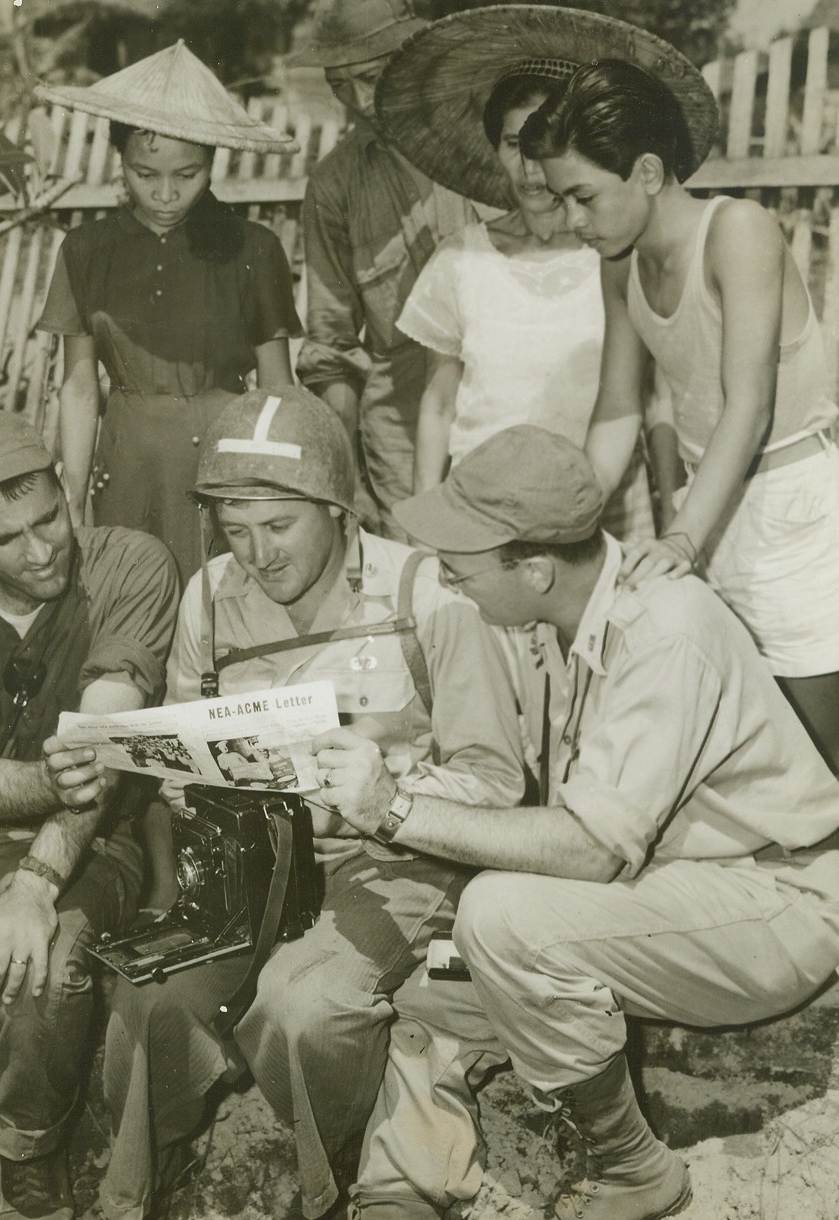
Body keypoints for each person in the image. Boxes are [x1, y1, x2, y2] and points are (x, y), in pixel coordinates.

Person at [314, 423, 839, 1220]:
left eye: (464, 570)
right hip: (672, 891)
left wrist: (395, 811)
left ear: (534, 567)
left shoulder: (664, 631)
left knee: (500, 917)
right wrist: (397, 785)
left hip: (775, 901)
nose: (451, 585)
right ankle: (403, 1188)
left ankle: (633, 1169)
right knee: (437, 974)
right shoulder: (562, 618)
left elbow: (591, 852)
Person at [99, 385, 527, 1220]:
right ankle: (147, 1188)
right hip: (250, 862)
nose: (255, 554)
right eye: (234, 527)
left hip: (393, 863)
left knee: (303, 1012)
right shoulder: (209, 597)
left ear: (337, 509)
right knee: (149, 1002)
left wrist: (384, 793)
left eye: (279, 525)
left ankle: (325, 1178)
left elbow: (496, 782)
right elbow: (188, 758)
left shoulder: (424, 596)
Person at [520, 43, 839, 772]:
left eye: (583, 195)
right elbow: (616, 412)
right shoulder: (619, 265)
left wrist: (683, 540)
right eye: (561, 197)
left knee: (821, 750)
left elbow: (748, 405)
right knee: (748, 749)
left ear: (649, 172)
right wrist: (564, 522)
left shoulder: (738, 232)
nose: (572, 219)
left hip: (794, 512)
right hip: (712, 508)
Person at [0, 410, 179, 1220]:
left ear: (67, 490)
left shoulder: (132, 562)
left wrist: (35, 881)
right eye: (5, 540)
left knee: (47, 968)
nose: (39, 552)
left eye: (49, 519)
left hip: (107, 833)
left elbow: (103, 741)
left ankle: (27, 1141)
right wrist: (37, 800)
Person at [373, 13, 653, 538]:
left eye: (542, 146)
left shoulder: (616, 256)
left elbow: (645, 395)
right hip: (487, 505)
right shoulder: (461, 259)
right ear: (494, 148)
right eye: (512, 145)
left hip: (601, 499)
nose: (530, 169)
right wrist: (424, 517)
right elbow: (438, 401)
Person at [35, 39, 303, 585]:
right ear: (120, 161)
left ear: (212, 163)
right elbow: (81, 387)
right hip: (125, 460)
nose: (164, 193)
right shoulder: (85, 250)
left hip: (227, 459)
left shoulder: (253, 248)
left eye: (187, 175)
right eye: (144, 173)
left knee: (223, 605)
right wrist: (75, 492)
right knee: (127, 597)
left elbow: (277, 386)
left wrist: (280, 487)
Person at [289, 0, 475, 538]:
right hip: (403, 414)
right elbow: (332, 347)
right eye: (339, 85)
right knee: (419, 570)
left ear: (408, 58)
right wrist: (349, 478)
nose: (359, 100)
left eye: (370, 77)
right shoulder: (334, 183)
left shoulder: (484, 141)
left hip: (506, 383)